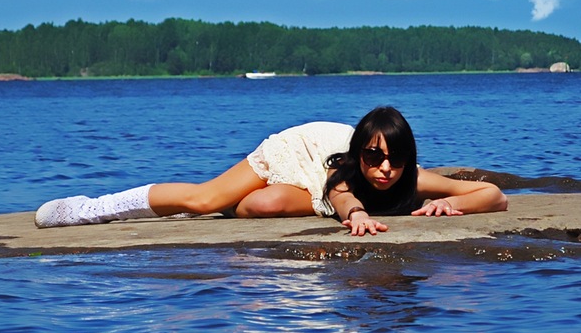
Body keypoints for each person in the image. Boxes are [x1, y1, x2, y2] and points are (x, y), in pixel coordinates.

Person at [35, 106, 508, 234]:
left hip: (315, 190)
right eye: (374, 157)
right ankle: (94, 208)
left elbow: (494, 195)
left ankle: (217, 206)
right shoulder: (348, 170)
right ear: (360, 154)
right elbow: (341, 195)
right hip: (305, 151)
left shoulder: (411, 177)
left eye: (395, 160)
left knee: (258, 206)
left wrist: (449, 203)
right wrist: (357, 215)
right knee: (206, 199)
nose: (385, 169)